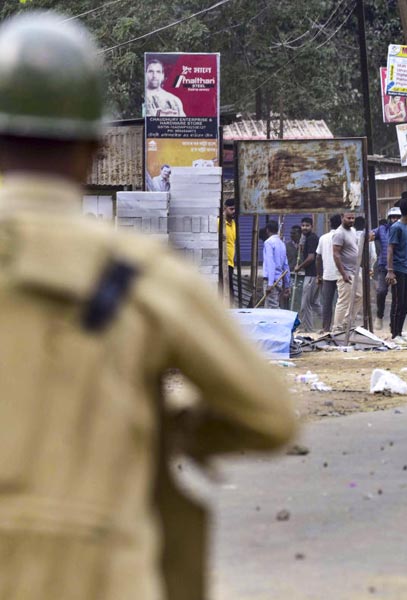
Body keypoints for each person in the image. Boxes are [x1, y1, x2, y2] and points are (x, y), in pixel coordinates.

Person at [0, 12, 296, 600]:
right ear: (94, 149)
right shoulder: (141, 274)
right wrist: (173, 425)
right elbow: (270, 416)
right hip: (104, 576)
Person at [386, 197, 407, 343]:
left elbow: (403, 251)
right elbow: (390, 249)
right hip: (397, 270)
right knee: (398, 302)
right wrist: (390, 270)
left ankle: (399, 330)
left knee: (405, 303)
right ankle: (395, 334)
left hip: (405, 269)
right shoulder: (396, 227)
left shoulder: (406, 227)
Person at [331, 212, 362, 333]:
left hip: (356, 270)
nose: (351, 220)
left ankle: (347, 323)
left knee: (359, 296)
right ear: (342, 218)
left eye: (353, 218)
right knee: (344, 300)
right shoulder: (339, 233)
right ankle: (337, 327)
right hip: (346, 272)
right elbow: (336, 254)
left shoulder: (353, 231)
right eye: (348, 218)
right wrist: (343, 273)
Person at [373, 207, 401, 330]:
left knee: (398, 295)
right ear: (389, 218)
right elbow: (370, 233)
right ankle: (379, 316)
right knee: (381, 291)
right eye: (393, 217)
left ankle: (394, 323)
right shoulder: (382, 229)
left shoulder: (405, 230)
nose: (395, 219)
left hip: (399, 267)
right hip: (383, 266)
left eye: (397, 217)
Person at [316, 214, 342, 333]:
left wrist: (319, 275)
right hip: (342, 274)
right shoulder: (343, 236)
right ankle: (339, 327)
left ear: (330, 224)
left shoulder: (323, 238)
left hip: (327, 275)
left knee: (327, 303)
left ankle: (326, 327)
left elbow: (318, 257)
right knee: (341, 302)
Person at [295, 217, 321, 330]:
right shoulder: (307, 238)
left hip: (311, 275)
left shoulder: (312, 238)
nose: (304, 228)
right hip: (314, 275)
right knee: (314, 303)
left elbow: (311, 258)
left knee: (305, 305)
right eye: (303, 225)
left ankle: (309, 330)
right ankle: (328, 323)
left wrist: (299, 267)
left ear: (312, 226)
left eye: (307, 225)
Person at [261, 220, 290, 309]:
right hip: (278, 281)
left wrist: (270, 283)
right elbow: (286, 265)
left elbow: (270, 263)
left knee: (273, 307)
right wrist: (287, 284)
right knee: (268, 308)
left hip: (271, 280)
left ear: (267, 230)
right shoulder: (281, 243)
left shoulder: (268, 243)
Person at [221, 198, 237, 302]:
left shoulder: (233, 223)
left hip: (230, 262)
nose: (233, 212)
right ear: (225, 208)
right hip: (223, 261)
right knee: (227, 290)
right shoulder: (220, 222)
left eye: (235, 209)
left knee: (230, 290)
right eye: (231, 209)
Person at [286, 224, 303, 310]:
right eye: (291, 233)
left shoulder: (304, 245)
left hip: (301, 275)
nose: (291, 235)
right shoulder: (287, 246)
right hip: (290, 273)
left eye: (294, 233)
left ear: (300, 234)